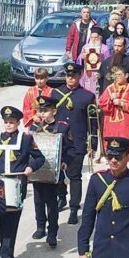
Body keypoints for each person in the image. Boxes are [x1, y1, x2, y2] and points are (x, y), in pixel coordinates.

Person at [0, 106, 46, 258]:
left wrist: (30, 168)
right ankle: (5, 250)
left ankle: (8, 255)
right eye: (6, 122)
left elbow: (39, 158)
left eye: (12, 122)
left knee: (12, 219)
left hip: (16, 183)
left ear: (18, 122)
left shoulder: (26, 138)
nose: (8, 125)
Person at [49, 62, 96, 223]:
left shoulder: (88, 96)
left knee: (74, 176)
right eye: (68, 75)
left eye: (74, 76)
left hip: (77, 142)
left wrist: (93, 144)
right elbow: (50, 116)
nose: (70, 78)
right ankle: (61, 197)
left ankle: (74, 208)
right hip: (58, 141)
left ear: (79, 76)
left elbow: (93, 123)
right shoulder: (56, 94)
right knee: (58, 174)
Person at [29, 96, 74, 247]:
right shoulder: (34, 128)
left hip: (54, 172)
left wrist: (65, 162)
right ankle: (40, 226)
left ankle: (52, 232)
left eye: (46, 110)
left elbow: (71, 149)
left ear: (54, 111)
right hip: (37, 171)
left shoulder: (62, 127)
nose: (42, 114)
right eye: (40, 110)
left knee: (51, 202)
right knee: (38, 201)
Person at [99, 65, 129, 144]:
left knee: (124, 145)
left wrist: (122, 103)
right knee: (110, 144)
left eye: (119, 75)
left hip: (125, 123)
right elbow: (101, 103)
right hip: (110, 122)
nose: (117, 77)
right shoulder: (109, 88)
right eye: (115, 75)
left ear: (126, 75)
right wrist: (110, 99)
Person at [78, 27, 111, 95]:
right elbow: (78, 60)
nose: (93, 39)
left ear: (100, 37)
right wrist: (82, 57)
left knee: (98, 90)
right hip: (87, 73)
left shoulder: (105, 48)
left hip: (99, 72)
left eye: (95, 37)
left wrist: (101, 58)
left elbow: (109, 62)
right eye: (92, 37)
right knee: (86, 90)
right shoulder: (85, 47)